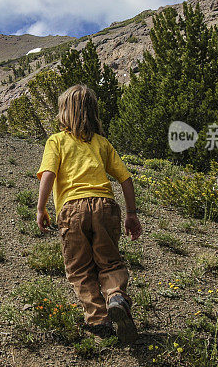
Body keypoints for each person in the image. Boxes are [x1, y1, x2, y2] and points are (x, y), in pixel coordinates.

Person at [36, 84, 142, 343]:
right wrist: (131, 214)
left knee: (80, 268)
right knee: (110, 262)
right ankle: (115, 295)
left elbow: (49, 174)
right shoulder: (102, 143)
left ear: (64, 113)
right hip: (105, 207)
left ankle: (98, 320)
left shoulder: (57, 140)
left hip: (71, 210)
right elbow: (125, 180)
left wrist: (41, 208)